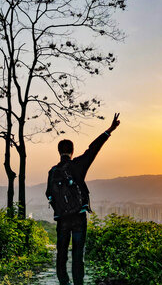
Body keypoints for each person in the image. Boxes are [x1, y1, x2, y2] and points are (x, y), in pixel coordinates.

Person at [46, 113, 120, 285]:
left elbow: (49, 193)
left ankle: (64, 282)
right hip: (79, 217)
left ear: (59, 152)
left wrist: (60, 207)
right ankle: (78, 283)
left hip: (62, 218)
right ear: (72, 151)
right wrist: (109, 130)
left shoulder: (52, 172)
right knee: (78, 254)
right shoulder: (77, 164)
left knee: (61, 253)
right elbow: (93, 149)